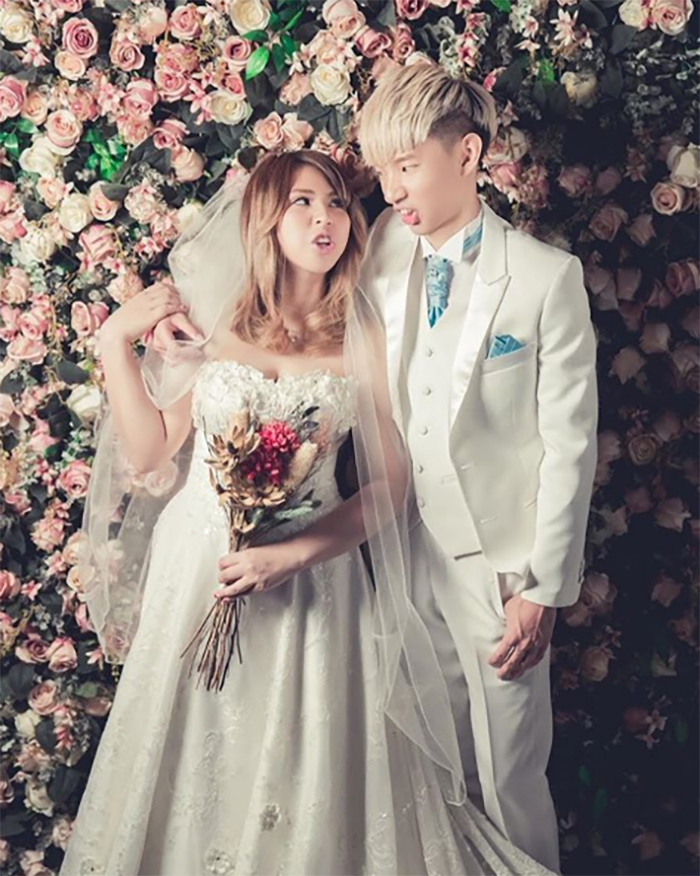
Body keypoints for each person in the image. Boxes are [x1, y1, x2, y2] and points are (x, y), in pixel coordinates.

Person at [60, 149, 558, 876]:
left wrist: (292, 554)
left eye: (335, 203)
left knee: (300, 758)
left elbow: (390, 485)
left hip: (314, 580)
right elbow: (149, 450)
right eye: (302, 202)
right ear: (266, 217)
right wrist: (114, 340)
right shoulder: (213, 324)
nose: (325, 218)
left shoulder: (362, 335)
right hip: (198, 568)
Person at [354, 64, 599, 872]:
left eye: (408, 165)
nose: (393, 189)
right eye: (383, 170)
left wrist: (541, 589)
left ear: (467, 154)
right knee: (433, 769)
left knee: (509, 775)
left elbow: (569, 444)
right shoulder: (379, 258)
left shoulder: (544, 277)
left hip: (499, 571)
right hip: (401, 562)